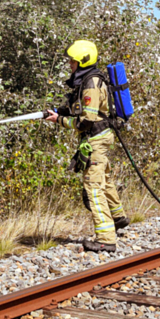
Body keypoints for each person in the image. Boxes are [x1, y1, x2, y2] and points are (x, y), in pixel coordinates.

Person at [45, 40, 128, 253]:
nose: (70, 64)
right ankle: (118, 217)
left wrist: (59, 121)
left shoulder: (91, 83)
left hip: (96, 137)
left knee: (93, 186)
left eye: (72, 61)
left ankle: (106, 239)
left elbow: (85, 121)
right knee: (104, 178)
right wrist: (60, 112)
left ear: (82, 61)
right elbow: (80, 109)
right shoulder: (87, 79)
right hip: (100, 136)